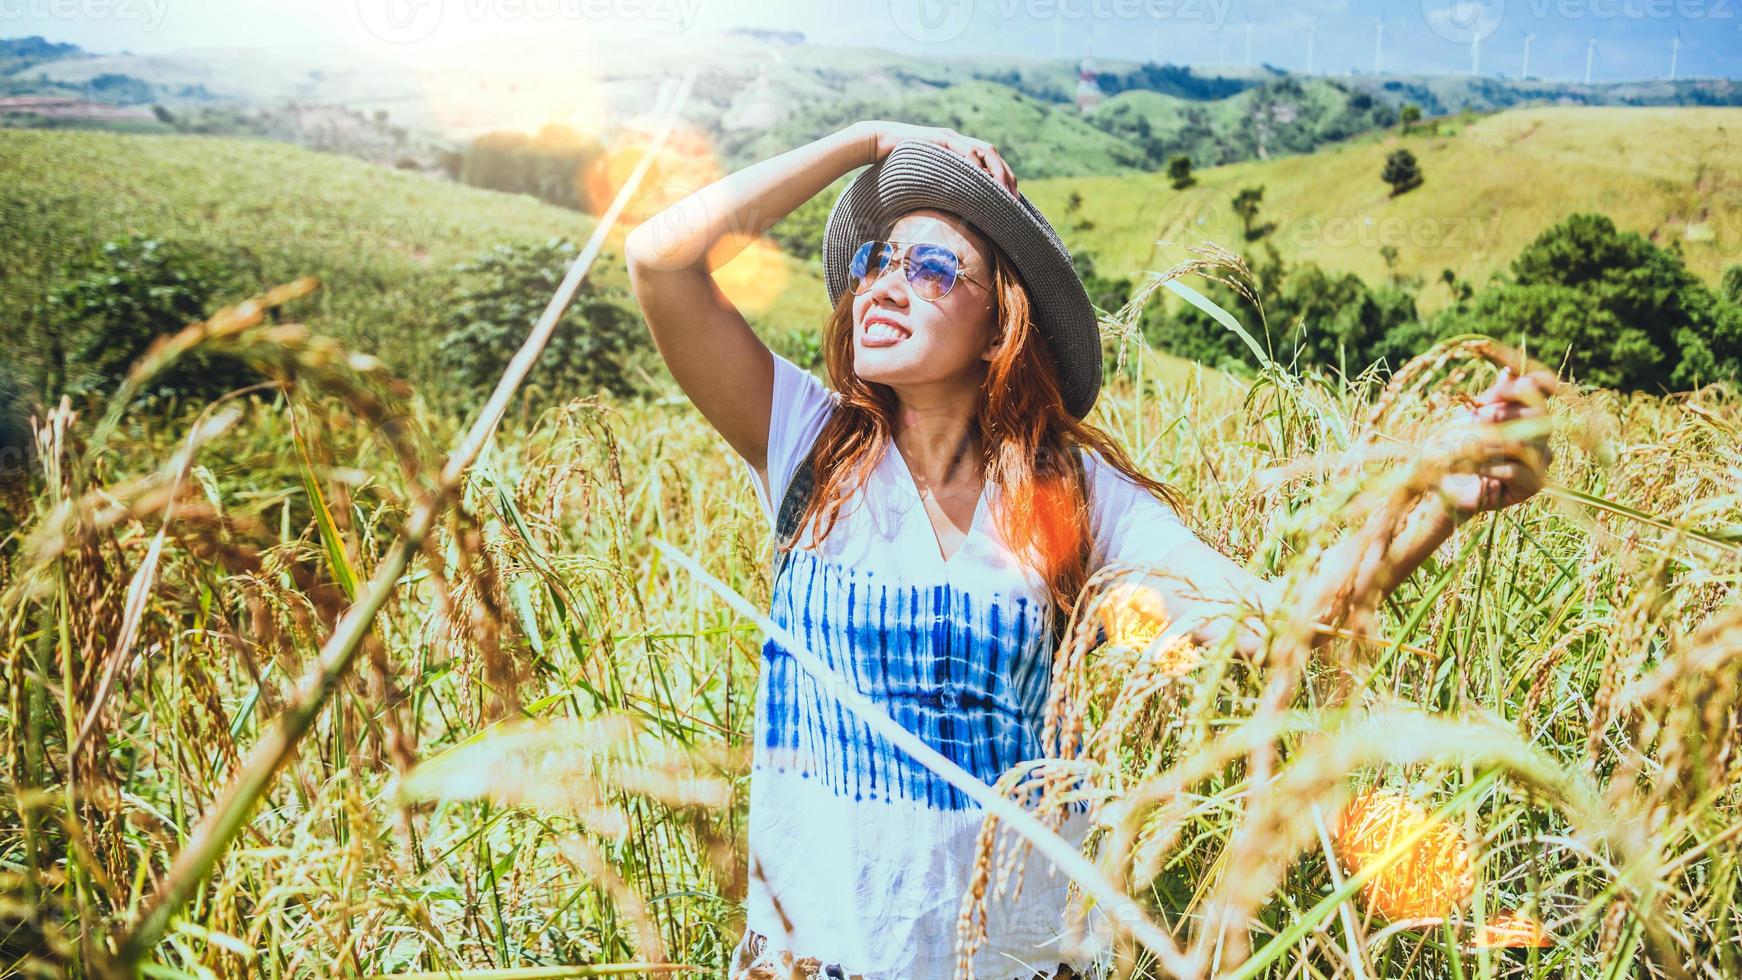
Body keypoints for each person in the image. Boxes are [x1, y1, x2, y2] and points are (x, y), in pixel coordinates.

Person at [624, 121, 1556, 980]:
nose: (885, 281)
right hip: (806, 961)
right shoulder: (809, 444)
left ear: (1001, 323)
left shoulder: (1073, 494)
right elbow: (660, 260)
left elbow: (1277, 623)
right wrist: (871, 139)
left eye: (934, 269)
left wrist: (1442, 498)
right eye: (876, 258)